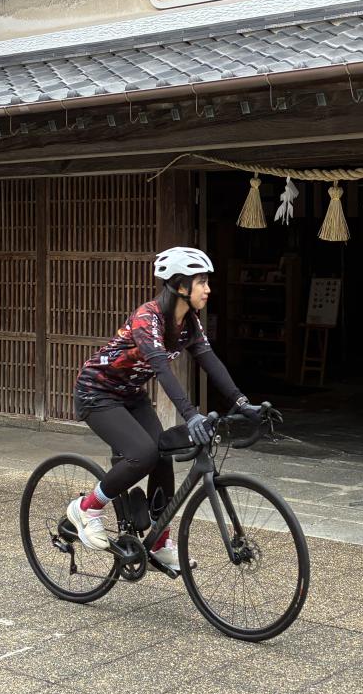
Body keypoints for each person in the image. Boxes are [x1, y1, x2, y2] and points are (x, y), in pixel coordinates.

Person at [67, 246, 264, 574]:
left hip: (131, 394)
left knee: (162, 453)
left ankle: (159, 542)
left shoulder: (189, 322)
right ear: (181, 286)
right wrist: (191, 414)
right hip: (97, 393)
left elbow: (209, 361)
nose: (208, 289)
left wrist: (243, 403)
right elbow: (161, 369)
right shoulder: (148, 317)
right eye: (201, 282)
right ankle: (87, 508)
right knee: (141, 454)